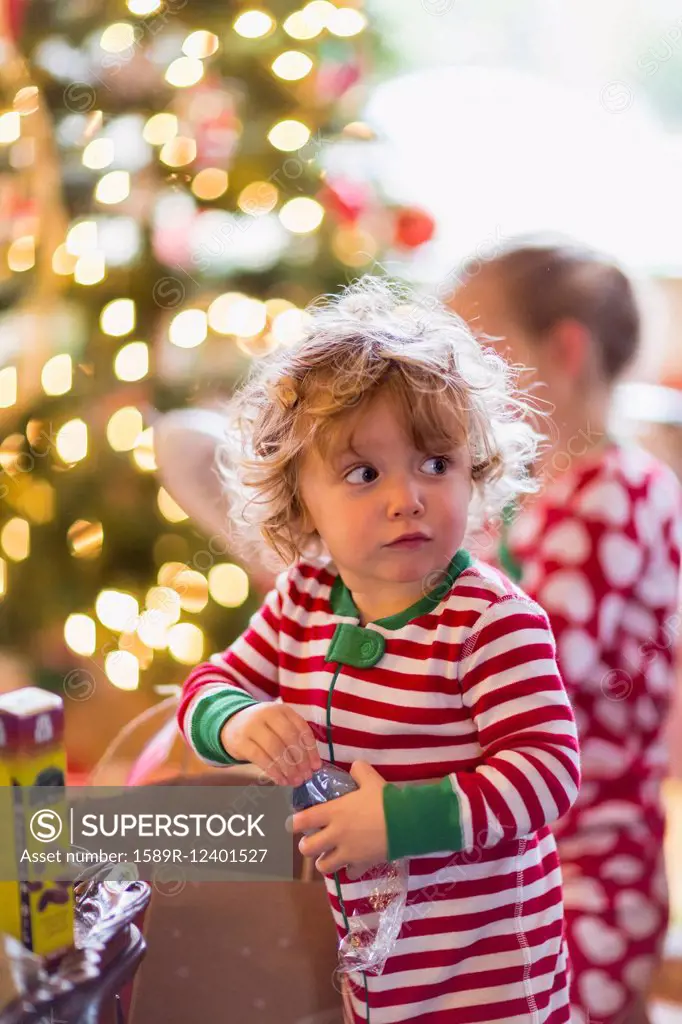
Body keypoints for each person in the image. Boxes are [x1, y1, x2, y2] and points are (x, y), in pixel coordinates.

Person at [177, 275, 580, 1023]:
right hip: (376, 969)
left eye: (436, 463)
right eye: (364, 474)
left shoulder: (489, 621)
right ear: (302, 504)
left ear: (475, 469)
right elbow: (210, 684)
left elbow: (548, 773)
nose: (407, 498)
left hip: (490, 979)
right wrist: (235, 720)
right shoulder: (304, 594)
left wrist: (400, 820)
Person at [450, 236, 682, 1024]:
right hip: (519, 851)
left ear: (566, 350)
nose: (455, 381)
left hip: (583, 871)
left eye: (477, 351)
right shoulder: (533, 503)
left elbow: (527, 674)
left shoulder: (614, 495)